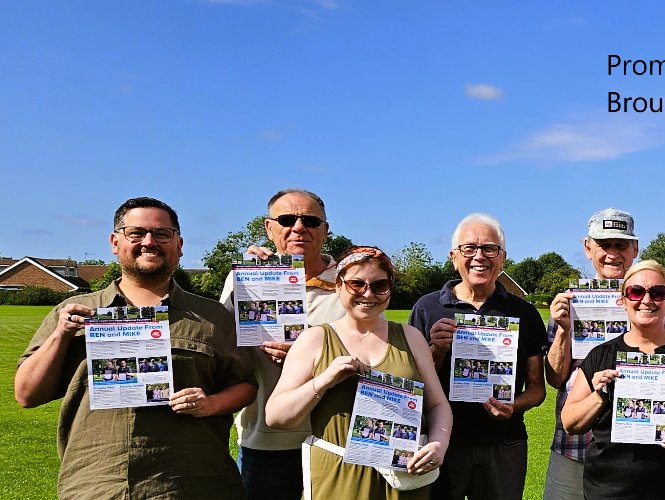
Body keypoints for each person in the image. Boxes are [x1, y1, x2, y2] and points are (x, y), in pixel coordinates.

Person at [15, 197, 257, 498]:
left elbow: (246, 385)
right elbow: (26, 394)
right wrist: (61, 335)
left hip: (193, 482)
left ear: (179, 245)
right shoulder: (75, 312)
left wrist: (210, 403)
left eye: (162, 234)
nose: (149, 242)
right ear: (115, 242)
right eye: (136, 233)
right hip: (97, 483)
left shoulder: (212, 316)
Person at [265, 246, 454, 499]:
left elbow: (437, 405)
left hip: (403, 477)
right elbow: (275, 416)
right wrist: (324, 380)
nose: (368, 293)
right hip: (339, 478)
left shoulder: (411, 337)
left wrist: (438, 444)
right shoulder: (315, 339)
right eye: (357, 284)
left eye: (379, 286)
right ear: (338, 286)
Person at [544, 208, 665, 499]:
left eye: (621, 245)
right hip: (576, 444)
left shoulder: (660, 300)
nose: (613, 253)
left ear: (634, 248)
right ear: (587, 248)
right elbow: (555, 378)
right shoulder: (569, 302)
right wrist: (562, 331)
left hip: (639, 448)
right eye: (604, 244)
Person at [560, 261, 665, 499]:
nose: (647, 300)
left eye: (657, 293)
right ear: (623, 300)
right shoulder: (600, 355)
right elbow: (569, 422)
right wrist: (600, 395)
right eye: (636, 292)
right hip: (610, 490)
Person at [408, 214, 549, 500]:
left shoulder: (525, 313)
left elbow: (537, 389)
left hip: (503, 444)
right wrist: (436, 349)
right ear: (453, 256)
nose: (479, 257)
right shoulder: (427, 307)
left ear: (503, 258)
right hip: (443, 441)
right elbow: (411, 382)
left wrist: (514, 405)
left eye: (490, 248)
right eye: (469, 248)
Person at [218, 188, 345, 499]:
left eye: (311, 221)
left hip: (334, 439)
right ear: (268, 228)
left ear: (325, 230)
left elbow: (375, 348)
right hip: (266, 440)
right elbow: (221, 349)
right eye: (287, 219)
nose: (299, 227)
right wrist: (250, 278)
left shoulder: (351, 282)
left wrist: (312, 352)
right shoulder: (244, 280)